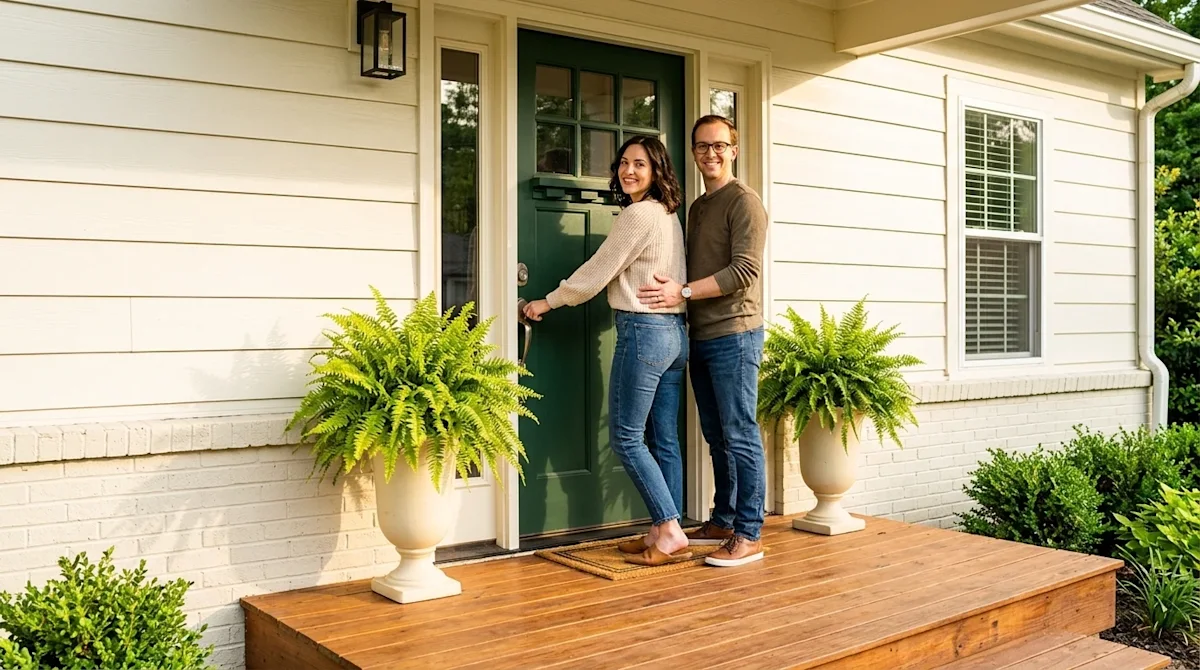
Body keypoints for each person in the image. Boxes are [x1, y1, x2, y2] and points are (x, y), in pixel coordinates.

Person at [522, 135, 691, 567]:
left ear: (657, 171)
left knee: (628, 438)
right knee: (663, 439)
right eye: (623, 163)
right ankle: (661, 528)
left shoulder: (638, 215)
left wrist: (547, 301)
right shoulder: (667, 215)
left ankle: (669, 530)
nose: (628, 170)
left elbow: (598, 271)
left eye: (640, 164)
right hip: (673, 333)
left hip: (643, 333)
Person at [638, 115, 769, 567]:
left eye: (719, 146)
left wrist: (685, 292)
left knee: (740, 434)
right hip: (701, 335)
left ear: (734, 149)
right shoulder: (697, 206)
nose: (710, 154)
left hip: (736, 333)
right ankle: (724, 519)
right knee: (716, 436)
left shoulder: (744, 202)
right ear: (693, 153)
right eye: (701, 147)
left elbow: (744, 272)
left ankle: (749, 533)